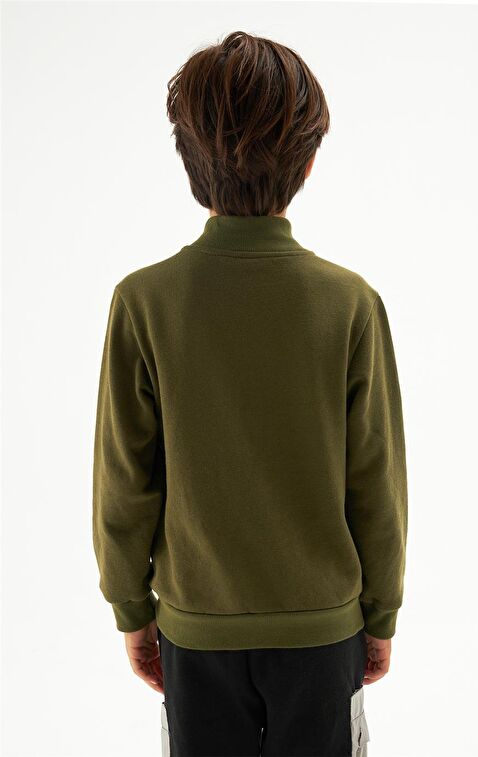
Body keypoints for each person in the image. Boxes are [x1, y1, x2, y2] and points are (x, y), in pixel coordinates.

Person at [92, 30, 408, 757]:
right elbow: (376, 480)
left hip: (195, 628)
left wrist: (131, 607)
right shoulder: (350, 303)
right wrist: (381, 612)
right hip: (323, 631)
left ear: (186, 157)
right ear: (308, 160)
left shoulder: (145, 301)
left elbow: (124, 479)